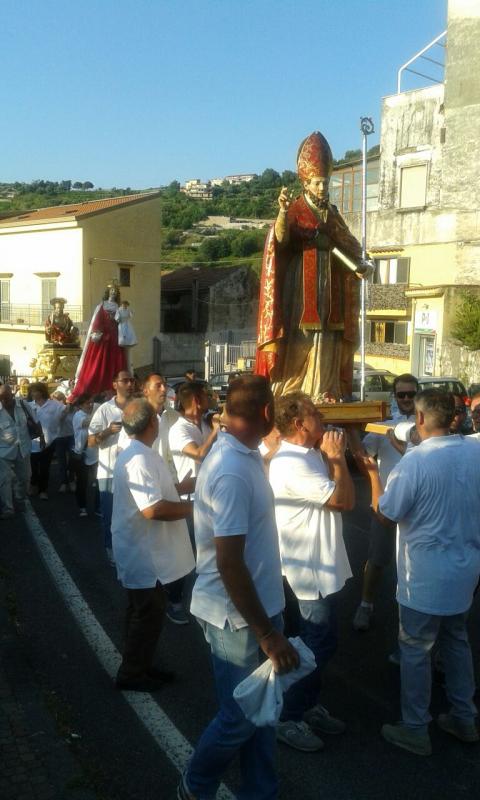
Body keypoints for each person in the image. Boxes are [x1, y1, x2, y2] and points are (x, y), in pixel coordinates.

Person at [178, 375, 299, 800]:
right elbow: (229, 563)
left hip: (258, 610)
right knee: (240, 717)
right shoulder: (230, 468)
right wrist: (267, 633)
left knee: (263, 712)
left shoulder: (241, 451)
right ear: (266, 413)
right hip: (238, 621)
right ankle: (195, 786)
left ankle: (261, 792)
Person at [357, 389, 480, 755]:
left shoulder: (415, 463)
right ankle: (464, 716)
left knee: (415, 649)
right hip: (465, 569)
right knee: (456, 641)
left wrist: (371, 475)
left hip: (424, 575)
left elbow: (387, 513)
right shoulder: (476, 451)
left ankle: (415, 727)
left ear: (422, 420)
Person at [255, 130, 370, 400]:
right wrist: (282, 213)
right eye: (317, 183)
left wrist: (360, 264)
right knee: (302, 335)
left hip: (331, 285)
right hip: (301, 286)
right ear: (305, 183)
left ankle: (325, 387)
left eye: (325, 182)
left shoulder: (332, 213)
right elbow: (280, 239)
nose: (322, 188)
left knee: (329, 336)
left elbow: (347, 243)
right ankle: (296, 388)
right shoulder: (295, 209)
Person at [269, 392, 355, 752]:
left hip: (319, 566)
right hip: (309, 571)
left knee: (316, 642)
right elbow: (344, 501)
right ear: (298, 423)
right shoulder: (292, 463)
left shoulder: (307, 454)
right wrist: (339, 462)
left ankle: (304, 705)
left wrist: (336, 453)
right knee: (316, 643)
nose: (323, 417)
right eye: (316, 414)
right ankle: (288, 716)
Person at [112, 398, 194, 692]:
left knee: (143, 612)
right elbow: (153, 509)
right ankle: (132, 673)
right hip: (143, 552)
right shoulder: (139, 459)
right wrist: (195, 510)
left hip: (142, 549)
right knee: (146, 613)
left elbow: (161, 492)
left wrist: (187, 488)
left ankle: (139, 664)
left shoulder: (141, 453)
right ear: (151, 424)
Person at [351, 373, 419, 631]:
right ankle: (365, 605)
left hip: (417, 507)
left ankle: (410, 617)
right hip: (387, 501)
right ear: (394, 396)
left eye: (411, 394)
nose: (406, 399)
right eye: (401, 394)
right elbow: (363, 455)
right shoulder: (383, 425)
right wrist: (350, 431)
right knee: (377, 558)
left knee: (414, 564)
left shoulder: (426, 426)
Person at [88, 370, 135, 563]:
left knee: (133, 515)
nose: (130, 384)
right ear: (115, 384)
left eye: (132, 380)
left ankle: (131, 547)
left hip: (134, 471)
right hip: (109, 471)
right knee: (110, 514)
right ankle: (110, 547)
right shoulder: (104, 409)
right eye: (125, 380)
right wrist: (107, 431)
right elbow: (91, 441)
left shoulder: (138, 407)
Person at [70, 283, 127, 401]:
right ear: (108, 292)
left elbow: (122, 321)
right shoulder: (101, 305)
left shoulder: (118, 306)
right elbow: (96, 321)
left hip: (114, 338)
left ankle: (113, 390)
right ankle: (93, 389)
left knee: (114, 363)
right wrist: (97, 332)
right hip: (102, 339)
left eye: (115, 291)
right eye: (111, 290)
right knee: (97, 364)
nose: (113, 292)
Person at [30, 382, 69, 500]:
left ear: (42, 392)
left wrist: (63, 415)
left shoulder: (53, 404)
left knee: (45, 467)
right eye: (31, 391)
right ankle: (33, 483)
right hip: (32, 442)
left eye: (35, 391)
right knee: (33, 467)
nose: (33, 394)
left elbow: (65, 409)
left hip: (49, 441)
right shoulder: (29, 405)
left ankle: (43, 490)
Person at [0, 382, 31, 519]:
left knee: (25, 477)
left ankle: (19, 498)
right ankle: (8, 508)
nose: (4, 400)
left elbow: (35, 421)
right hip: (3, 451)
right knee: (4, 479)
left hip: (23, 448)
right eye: (1, 397)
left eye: (6, 397)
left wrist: (41, 436)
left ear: (12, 394)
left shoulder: (23, 405)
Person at [71, 393, 100, 517]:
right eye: (87, 403)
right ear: (81, 405)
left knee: (100, 483)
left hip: (96, 454)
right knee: (82, 483)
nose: (90, 405)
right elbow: (88, 423)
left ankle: (98, 508)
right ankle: (82, 506)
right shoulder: (78, 415)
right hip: (82, 454)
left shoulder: (95, 412)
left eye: (91, 402)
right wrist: (101, 412)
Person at [52, 391, 76, 493]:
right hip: (59, 437)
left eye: (60, 399)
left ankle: (71, 480)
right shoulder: (54, 410)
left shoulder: (72, 409)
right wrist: (64, 412)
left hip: (71, 436)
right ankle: (63, 482)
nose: (59, 402)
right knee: (62, 461)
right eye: (56, 400)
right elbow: (58, 422)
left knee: (72, 460)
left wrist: (69, 409)